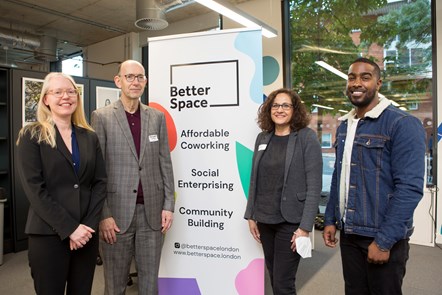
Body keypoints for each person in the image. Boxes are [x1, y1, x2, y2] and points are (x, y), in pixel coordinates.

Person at [323, 57, 426, 295]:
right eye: (351, 77)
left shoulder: (402, 124)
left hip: (380, 234)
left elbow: (409, 189)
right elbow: (341, 175)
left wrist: (383, 241)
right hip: (350, 233)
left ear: (379, 83)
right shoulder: (346, 125)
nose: (356, 83)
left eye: (365, 77)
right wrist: (330, 218)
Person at [16, 72, 107, 294]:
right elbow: (35, 190)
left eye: (70, 91)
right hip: (49, 235)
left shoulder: (89, 136)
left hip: (86, 234)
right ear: (46, 99)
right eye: (57, 92)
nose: (65, 96)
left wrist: (86, 228)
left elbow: (100, 183)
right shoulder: (31, 135)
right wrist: (70, 229)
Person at [91, 59, 175, 295]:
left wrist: (169, 205)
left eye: (140, 77)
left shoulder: (156, 117)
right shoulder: (102, 117)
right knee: (115, 284)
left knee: (150, 285)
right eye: (130, 77)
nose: (135, 82)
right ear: (118, 81)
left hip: (152, 214)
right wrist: (104, 215)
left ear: (145, 81)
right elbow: (97, 171)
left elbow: (164, 163)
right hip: (116, 216)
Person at [244, 88, 322, 295]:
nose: (280, 110)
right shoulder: (263, 137)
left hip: (291, 222)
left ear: (294, 109)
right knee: (273, 275)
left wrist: (305, 228)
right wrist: (251, 214)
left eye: (285, 105)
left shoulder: (306, 137)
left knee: (283, 283)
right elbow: (255, 179)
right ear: (269, 110)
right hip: (265, 219)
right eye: (275, 105)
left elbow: (314, 186)